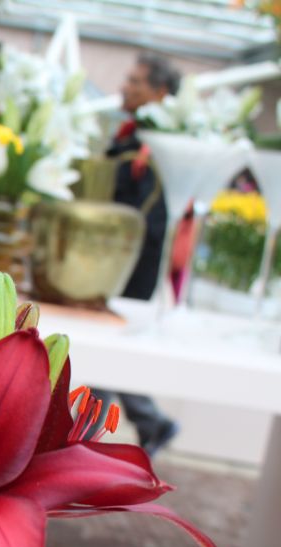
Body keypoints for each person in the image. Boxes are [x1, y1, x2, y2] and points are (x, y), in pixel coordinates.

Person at [99, 53, 183, 456]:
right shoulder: (131, 135)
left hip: (134, 261)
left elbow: (151, 214)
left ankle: (86, 435)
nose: (125, 86)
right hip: (118, 255)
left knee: (108, 341)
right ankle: (151, 423)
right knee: (108, 341)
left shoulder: (163, 144)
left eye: (135, 81)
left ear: (159, 93)